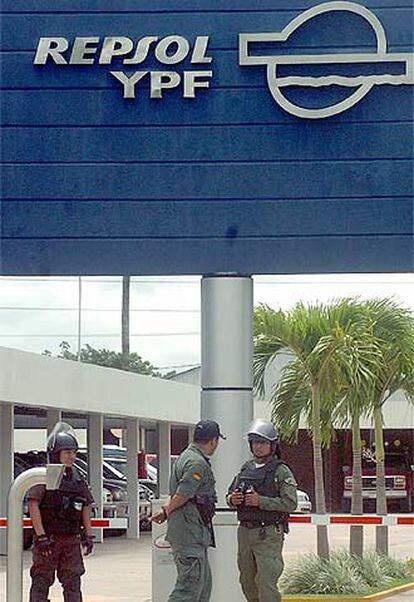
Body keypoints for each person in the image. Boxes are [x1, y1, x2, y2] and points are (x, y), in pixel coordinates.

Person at [151, 419, 225, 602]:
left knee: (202, 588)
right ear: (214, 441)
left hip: (193, 533)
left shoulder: (187, 456)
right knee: (188, 590)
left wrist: (165, 511)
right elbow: (183, 494)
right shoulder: (196, 463)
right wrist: (167, 511)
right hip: (189, 533)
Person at [227, 419, 297, 602]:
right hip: (245, 532)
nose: (258, 447)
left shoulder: (281, 471)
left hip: (268, 534)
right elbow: (230, 494)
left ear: (272, 445)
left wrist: (261, 501)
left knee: (266, 582)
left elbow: (290, 503)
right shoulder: (246, 468)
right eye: (255, 442)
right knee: (247, 581)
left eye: (263, 442)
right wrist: (232, 499)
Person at [28, 422, 95, 602]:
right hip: (49, 539)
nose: (72, 457)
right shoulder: (44, 476)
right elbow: (33, 504)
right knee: (41, 581)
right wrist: (41, 536)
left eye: (73, 452)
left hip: (71, 540)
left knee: (73, 583)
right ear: (56, 454)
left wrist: (88, 535)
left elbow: (86, 505)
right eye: (67, 453)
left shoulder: (78, 477)